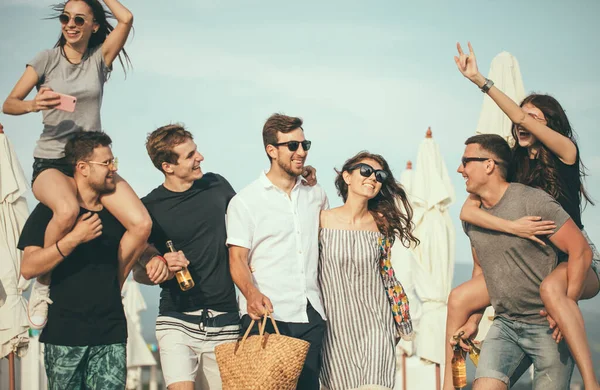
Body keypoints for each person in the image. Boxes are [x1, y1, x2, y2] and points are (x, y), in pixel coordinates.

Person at [443, 42, 600, 390]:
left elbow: (578, 252)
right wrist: (509, 225)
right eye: (521, 117)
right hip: (535, 264)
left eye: (533, 118)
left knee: (552, 291)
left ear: (551, 125)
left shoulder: (565, 151)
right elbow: (471, 209)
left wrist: (479, 80)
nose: (522, 122)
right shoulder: (512, 166)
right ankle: (448, 383)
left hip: (575, 259)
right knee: (460, 298)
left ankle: (592, 384)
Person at [2, 0, 151, 331]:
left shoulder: (100, 60)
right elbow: (8, 104)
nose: (70, 23)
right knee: (67, 210)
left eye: (79, 19)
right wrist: (32, 105)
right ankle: (42, 285)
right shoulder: (45, 59)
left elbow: (126, 17)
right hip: (51, 162)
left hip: (92, 162)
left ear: (93, 25)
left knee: (141, 223)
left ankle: (113, 284)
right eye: (65, 17)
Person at [17, 131, 163, 390]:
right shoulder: (50, 211)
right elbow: (29, 268)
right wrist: (74, 238)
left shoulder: (120, 217)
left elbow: (140, 249)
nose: (114, 169)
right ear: (82, 168)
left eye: (113, 160)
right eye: (106, 163)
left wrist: (156, 258)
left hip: (111, 333)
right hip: (64, 334)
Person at [451, 134, 593, 390]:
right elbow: (481, 271)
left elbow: (580, 251)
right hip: (505, 325)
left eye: (465, 161)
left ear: (489, 164)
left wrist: (567, 305)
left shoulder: (532, 201)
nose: (460, 169)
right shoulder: (471, 218)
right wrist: (474, 319)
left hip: (548, 326)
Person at [227, 113, 328, 390]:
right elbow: (237, 259)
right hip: (266, 317)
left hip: (310, 315)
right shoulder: (245, 202)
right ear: (271, 150)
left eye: (305, 144)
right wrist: (251, 293)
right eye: (292, 145)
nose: (302, 151)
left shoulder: (316, 194)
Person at [318, 151, 417, 390]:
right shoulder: (321, 220)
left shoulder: (382, 225)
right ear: (347, 177)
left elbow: (387, 276)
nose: (373, 178)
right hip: (334, 333)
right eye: (366, 171)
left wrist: (402, 325)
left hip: (376, 328)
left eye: (379, 175)